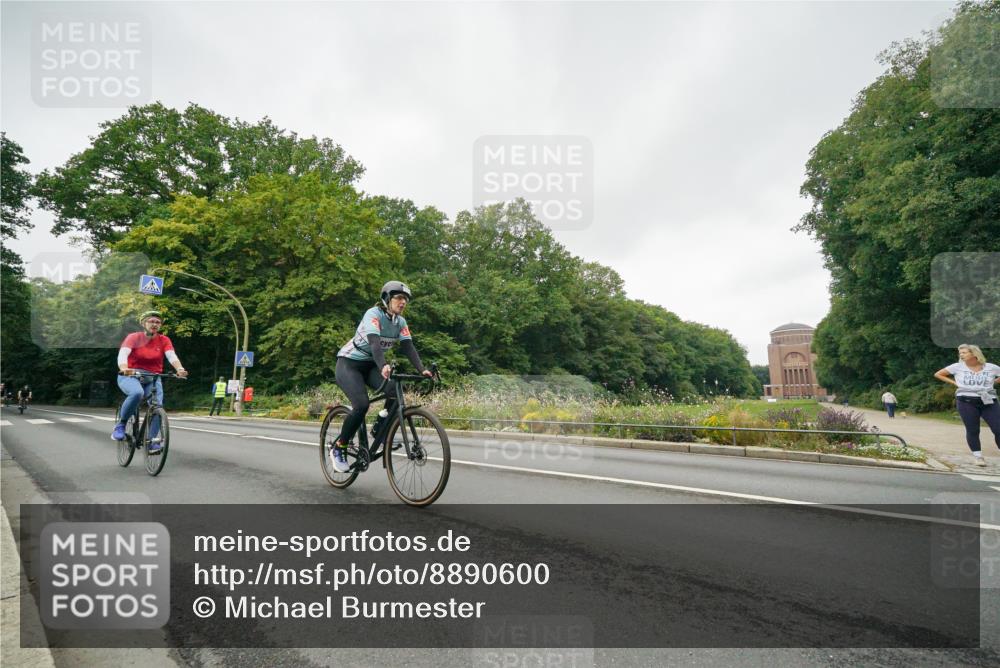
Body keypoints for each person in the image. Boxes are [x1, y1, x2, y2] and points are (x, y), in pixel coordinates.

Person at [329, 281, 433, 473]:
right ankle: (339, 447)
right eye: (399, 298)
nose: (403, 302)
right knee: (361, 405)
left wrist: (422, 370)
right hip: (349, 364)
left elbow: (408, 347)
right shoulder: (373, 314)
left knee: (394, 390)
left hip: (370, 365)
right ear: (387, 299)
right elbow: (374, 343)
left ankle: (379, 428)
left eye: (406, 299)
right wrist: (383, 365)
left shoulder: (400, 323)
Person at [112, 311, 188, 451]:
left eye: (158, 322)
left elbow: (171, 356)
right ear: (143, 323)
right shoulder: (134, 337)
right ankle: (121, 425)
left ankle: (151, 441)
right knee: (137, 393)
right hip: (130, 374)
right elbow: (123, 353)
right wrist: (124, 368)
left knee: (157, 406)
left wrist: (180, 369)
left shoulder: (164, 340)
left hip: (153, 377)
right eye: (151, 321)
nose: (154, 324)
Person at [934, 344, 1000, 467]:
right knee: (973, 429)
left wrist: (993, 382)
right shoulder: (957, 367)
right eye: (960, 353)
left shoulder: (991, 367)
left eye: (964, 352)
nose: (961, 355)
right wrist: (955, 383)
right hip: (966, 401)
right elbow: (938, 374)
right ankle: (978, 457)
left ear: (974, 354)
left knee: (998, 429)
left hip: (989, 401)